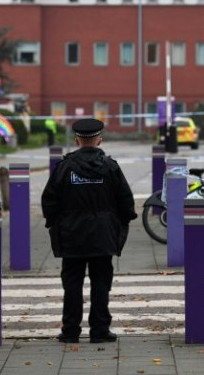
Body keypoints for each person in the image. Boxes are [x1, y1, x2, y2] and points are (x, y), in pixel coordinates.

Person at [41, 118, 137, 343]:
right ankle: (100, 330)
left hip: (72, 235)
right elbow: (126, 201)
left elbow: (49, 201)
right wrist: (120, 223)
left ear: (76, 140)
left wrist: (55, 224)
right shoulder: (111, 167)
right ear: (100, 140)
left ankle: (70, 330)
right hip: (103, 236)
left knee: (72, 284)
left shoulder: (64, 167)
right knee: (101, 283)